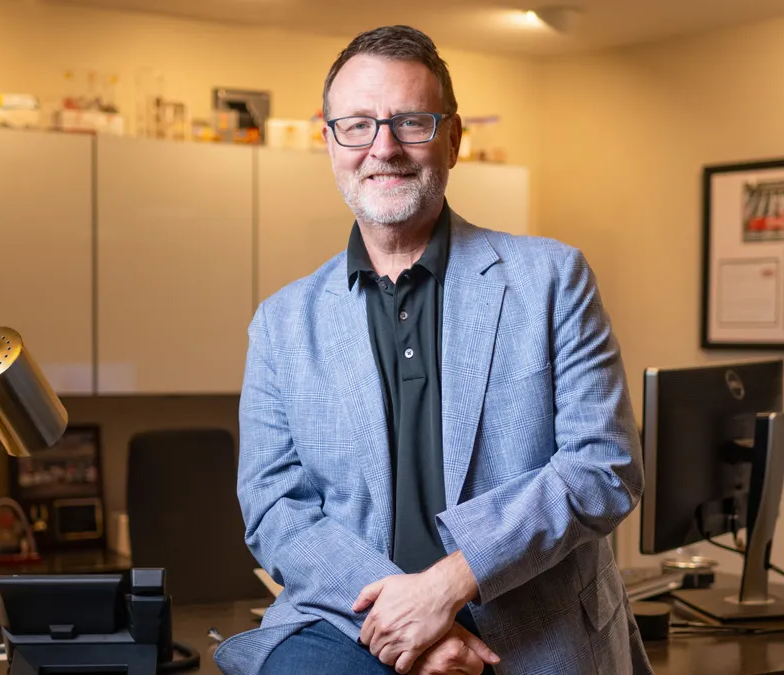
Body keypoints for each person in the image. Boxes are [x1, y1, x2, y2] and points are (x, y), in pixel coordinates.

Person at [213, 24, 651, 675]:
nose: (383, 148)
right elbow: (276, 508)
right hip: (349, 627)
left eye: (411, 122)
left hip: (532, 627)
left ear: (453, 138)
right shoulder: (281, 324)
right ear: (329, 141)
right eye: (357, 124)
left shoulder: (551, 279)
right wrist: (408, 618)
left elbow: (603, 465)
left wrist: (447, 585)